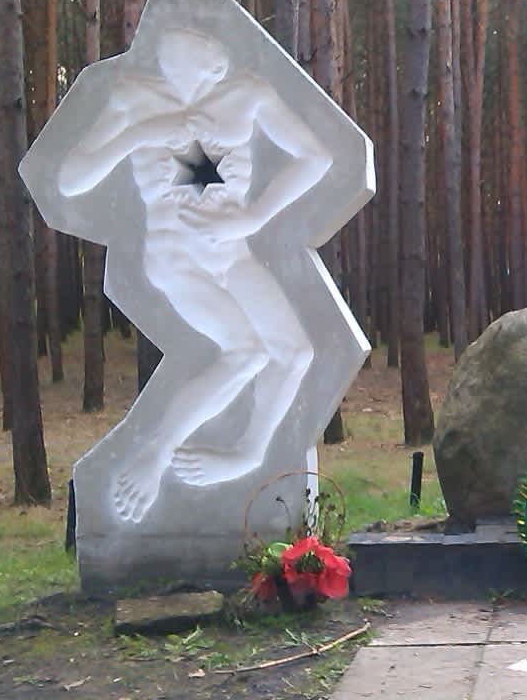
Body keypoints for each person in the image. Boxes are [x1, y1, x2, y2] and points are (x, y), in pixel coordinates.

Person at [58, 29, 329, 524]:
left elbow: (317, 157)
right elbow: (71, 179)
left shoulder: (246, 94)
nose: (185, 60)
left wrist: (254, 217)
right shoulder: (133, 98)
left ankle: (248, 452)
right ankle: (155, 455)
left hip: (232, 251)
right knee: (245, 351)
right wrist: (146, 130)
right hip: (175, 252)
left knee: (295, 353)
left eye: (199, 54)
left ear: (216, 65)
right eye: (175, 55)